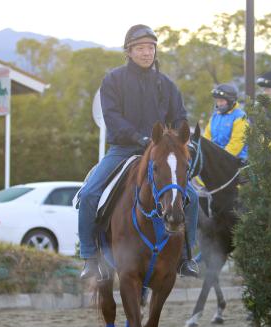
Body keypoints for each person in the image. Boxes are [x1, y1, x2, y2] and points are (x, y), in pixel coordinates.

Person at [78, 24, 199, 280]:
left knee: (194, 197)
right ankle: (89, 257)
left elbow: (179, 117)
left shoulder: (166, 85)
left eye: (150, 48)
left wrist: (177, 140)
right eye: (141, 48)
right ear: (129, 52)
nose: (147, 53)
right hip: (123, 149)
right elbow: (111, 116)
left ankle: (186, 258)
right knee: (89, 193)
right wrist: (138, 137)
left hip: (159, 152)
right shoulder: (113, 79)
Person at [204, 83, 248, 160]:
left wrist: (221, 157)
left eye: (221, 101)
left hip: (235, 159)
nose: (219, 104)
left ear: (231, 101)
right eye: (217, 101)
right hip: (215, 157)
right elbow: (206, 137)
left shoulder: (240, 117)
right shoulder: (215, 116)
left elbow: (237, 142)